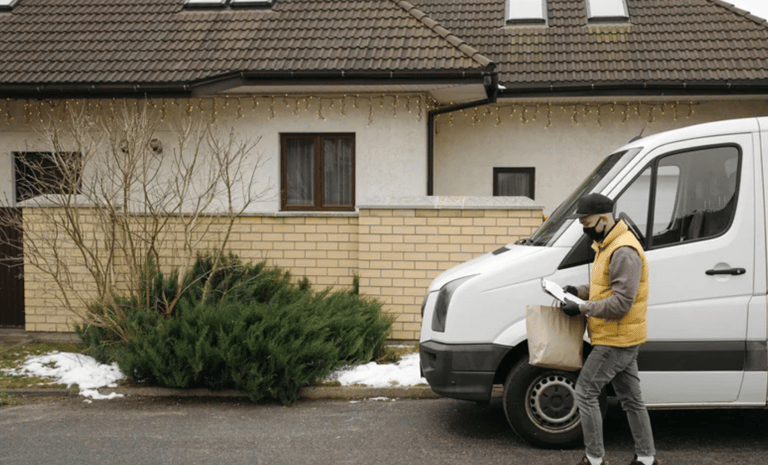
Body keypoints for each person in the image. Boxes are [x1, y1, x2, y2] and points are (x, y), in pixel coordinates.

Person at [560, 193, 659, 465]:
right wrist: (578, 292)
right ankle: (647, 458)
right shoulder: (607, 244)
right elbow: (607, 288)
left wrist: (581, 308)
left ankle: (594, 459)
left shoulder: (623, 250)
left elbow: (620, 304)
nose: (584, 229)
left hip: (617, 338)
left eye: (586, 223)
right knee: (631, 400)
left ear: (603, 219)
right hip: (621, 336)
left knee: (585, 392)